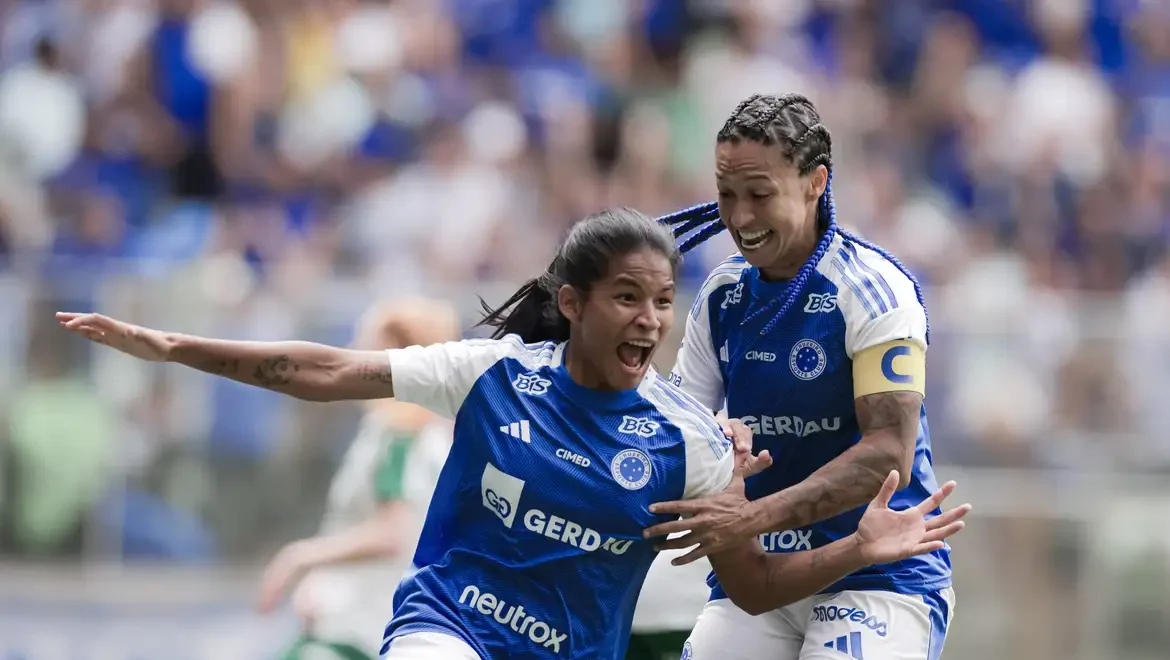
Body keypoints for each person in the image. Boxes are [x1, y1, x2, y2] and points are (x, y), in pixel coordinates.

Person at [57, 207, 968, 660]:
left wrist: (857, 548)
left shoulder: (690, 442)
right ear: (571, 303)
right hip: (447, 630)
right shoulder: (491, 374)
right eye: (626, 297)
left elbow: (755, 587)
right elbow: (326, 370)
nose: (650, 320)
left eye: (662, 301)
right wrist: (173, 347)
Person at [650, 93, 955, 660]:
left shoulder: (875, 291)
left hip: (879, 573)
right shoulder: (720, 296)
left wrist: (749, 517)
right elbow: (676, 432)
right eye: (726, 195)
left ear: (816, 182)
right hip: (761, 576)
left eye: (760, 194)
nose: (740, 218)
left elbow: (887, 453)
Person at [256, 298, 460, 660]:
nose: (351, 351)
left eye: (366, 343)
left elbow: (392, 533)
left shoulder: (399, 435)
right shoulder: (423, 436)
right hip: (364, 622)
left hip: (359, 628)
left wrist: (301, 557)